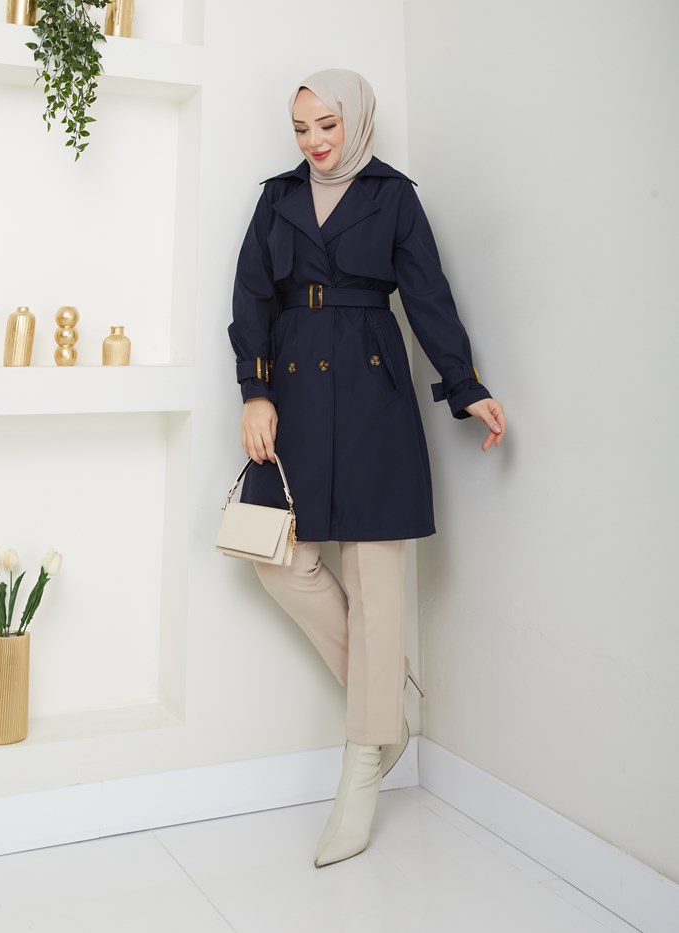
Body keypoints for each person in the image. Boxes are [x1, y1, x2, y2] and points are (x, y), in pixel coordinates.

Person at [227, 68, 506, 868]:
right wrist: (255, 391)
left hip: (373, 385)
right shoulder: (277, 197)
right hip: (292, 393)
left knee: (379, 583)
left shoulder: (394, 197)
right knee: (276, 559)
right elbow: (250, 298)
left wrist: (466, 387)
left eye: (328, 124)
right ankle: (390, 705)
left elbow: (429, 298)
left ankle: (361, 771)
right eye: (302, 128)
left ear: (358, 119)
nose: (315, 141)